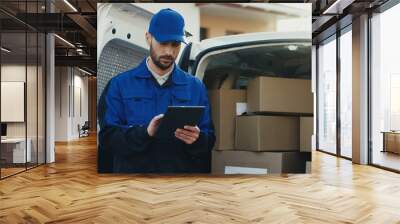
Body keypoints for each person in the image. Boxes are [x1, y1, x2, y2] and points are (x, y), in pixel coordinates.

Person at [97, 8, 215, 173]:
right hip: (133, 186)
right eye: (163, 43)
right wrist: (144, 132)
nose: (169, 51)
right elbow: (107, 138)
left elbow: (209, 139)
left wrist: (198, 139)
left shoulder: (196, 87)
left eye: (175, 45)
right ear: (148, 38)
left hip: (179, 185)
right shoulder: (119, 85)